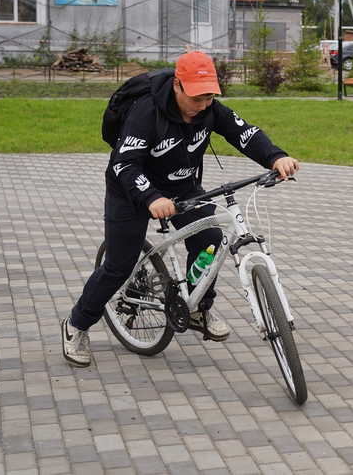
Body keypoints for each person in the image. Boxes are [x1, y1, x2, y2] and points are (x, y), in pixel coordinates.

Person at [62, 51, 299, 368]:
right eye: (197, 97)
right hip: (131, 192)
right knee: (119, 265)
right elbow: (124, 163)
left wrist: (275, 157)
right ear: (178, 85)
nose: (203, 105)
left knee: (211, 239)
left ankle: (198, 308)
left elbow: (244, 133)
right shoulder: (146, 112)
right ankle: (77, 325)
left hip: (182, 189)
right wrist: (151, 198)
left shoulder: (210, 110)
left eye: (209, 97)